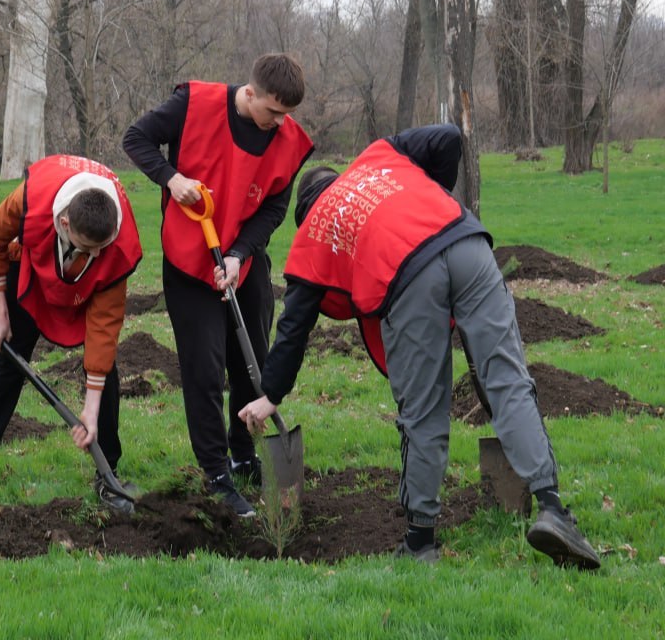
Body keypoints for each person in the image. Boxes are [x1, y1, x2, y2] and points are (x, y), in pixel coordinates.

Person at [237, 124, 601, 569]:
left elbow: (293, 329)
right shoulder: (378, 155)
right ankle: (553, 508)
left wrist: (270, 395)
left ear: (306, 209)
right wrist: (432, 197)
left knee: (423, 411)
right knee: (508, 381)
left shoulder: (314, 232)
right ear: (340, 176)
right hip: (464, 240)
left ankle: (420, 541)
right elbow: (449, 138)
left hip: (407, 280)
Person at [123, 53, 314, 517]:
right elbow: (136, 138)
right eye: (272, 112)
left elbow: (272, 210)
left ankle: (244, 450)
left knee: (252, 363)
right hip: (189, 263)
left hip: (241, 259)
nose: (278, 123)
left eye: (286, 115)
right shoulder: (194, 105)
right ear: (250, 94)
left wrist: (238, 253)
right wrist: (172, 179)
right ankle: (216, 474)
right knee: (204, 371)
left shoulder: (285, 139)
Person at [0, 154, 143, 514]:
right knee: (4, 363)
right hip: (32, 268)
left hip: (88, 289)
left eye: (101, 248)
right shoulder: (30, 200)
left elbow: (104, 328)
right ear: (64, 222)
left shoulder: (118, 246)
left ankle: (106, 471)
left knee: (103, 366)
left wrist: (89, 410)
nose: (94, 254)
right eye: (86, 248)